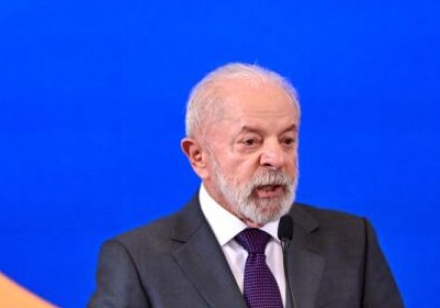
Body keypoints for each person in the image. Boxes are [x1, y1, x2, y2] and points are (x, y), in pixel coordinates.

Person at [89, 62, 404, 308]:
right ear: (198, 157)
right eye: (250, 141)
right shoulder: (137, 260)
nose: (275, 158)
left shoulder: (352, 241)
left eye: (287, 140)